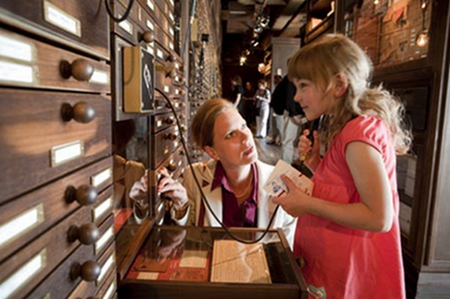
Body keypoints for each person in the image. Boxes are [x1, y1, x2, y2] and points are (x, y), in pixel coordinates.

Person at [272, 34, 411, 298]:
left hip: (349, 267)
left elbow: (379, 217)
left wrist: (307, 204)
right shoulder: (349, 128)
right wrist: (316, 164)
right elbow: (345, 189)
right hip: (335, 261)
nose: (297, 97)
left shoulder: (357, 135)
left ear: (338, 84)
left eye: (304, 86)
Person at [130, 99, 297, 248]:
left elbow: (286, 250)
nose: (246, 137)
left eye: (243, 126)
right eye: (231, 134)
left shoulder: (281, 181)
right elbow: (186, 239)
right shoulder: (194, 177)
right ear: (212, 152)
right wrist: (181, 206)